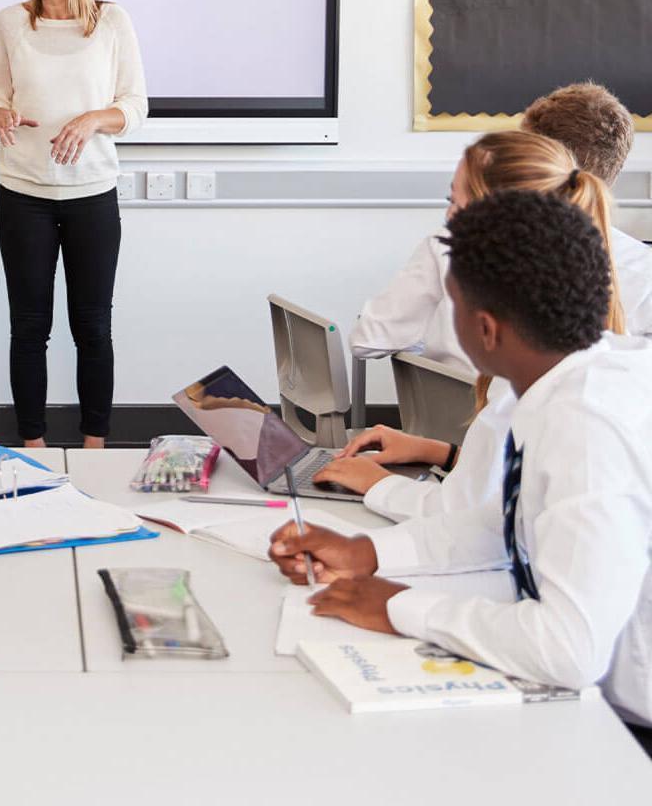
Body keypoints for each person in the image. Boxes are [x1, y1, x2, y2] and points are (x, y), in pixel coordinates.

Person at [269, 190, 652, 734]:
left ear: (485, 329)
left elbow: (569, 650)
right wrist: (368, 554)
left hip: (630, 725)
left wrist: (401, 607)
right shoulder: (553, 381)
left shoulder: (588, 424)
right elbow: (497, 529)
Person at [316, 129, 643, 520]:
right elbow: (495, 499)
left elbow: (483, 530)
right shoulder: (533, 369)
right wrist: (441, 452)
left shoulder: (578, 414)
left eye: (455, 204)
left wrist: (381, 488)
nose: (448, 221)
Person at [0, 0, 148, 449]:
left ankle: (96, 446)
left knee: (92, 328)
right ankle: (34, 446)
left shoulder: (112, 22)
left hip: (92, 196)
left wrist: (95, 118)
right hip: (23, 195)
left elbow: (135, 106)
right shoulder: (9, 23)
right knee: (29, 330)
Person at [348, 82, 648, 374]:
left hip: (451, 421)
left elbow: (367, 340)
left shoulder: (453, 247)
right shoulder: (642, 270)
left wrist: (422, 349)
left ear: (530, 162)